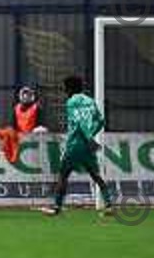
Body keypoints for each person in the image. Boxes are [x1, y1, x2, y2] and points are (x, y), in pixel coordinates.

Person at [42, 75, 112, 216]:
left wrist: (88, 137)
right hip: (87, 146)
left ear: (69, 89)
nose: (64, 91)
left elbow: (79, 122)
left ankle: (57, 207)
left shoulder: (71, 102)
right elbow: (101, 121)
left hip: (75, 144)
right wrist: (91, 135)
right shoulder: (90, 101)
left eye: (65, 88)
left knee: (63, 175)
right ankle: (110, 205)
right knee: (96, 175)